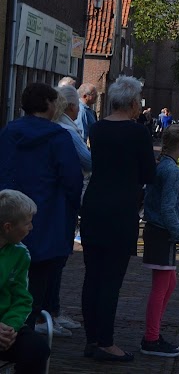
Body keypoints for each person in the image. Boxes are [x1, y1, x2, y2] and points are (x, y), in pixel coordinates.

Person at [80, 76, 156, 362]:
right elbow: (149, 175)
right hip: (120, 209)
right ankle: (106, 342)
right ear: (134, 103)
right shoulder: (138, 133)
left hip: (94, 205)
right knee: (112, 278)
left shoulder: (98, 129)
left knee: (92, 276)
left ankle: (91, 339)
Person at [0, 83, 83, 338]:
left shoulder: (8, 132)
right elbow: (72, 179)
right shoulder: (58, 137)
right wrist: (74, 206)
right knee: (41, 275)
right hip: (49, 214)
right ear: (49, 104)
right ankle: (33, 324)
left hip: (10, 212)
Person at [141, 125, 179, 357]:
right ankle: (151, 339)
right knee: (161, 288)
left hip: (160, 231)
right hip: (162, 233)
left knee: (170, 284)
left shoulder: (163, 165)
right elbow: (167, 209)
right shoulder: (171, 170)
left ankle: (154, 332)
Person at [47, 86, 92, 335]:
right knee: (56, 258)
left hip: (53, 200)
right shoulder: (67, 131)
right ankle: (48, 312)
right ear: (72, 106)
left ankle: (51, 310)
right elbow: (87, 161)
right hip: (62, 200)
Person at [0, 190, 50, 374]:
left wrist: (9, 328)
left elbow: (23, 298)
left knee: (37, 349)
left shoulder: (20, 253)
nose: (31, 228)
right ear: (8, 227)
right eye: (27, 223)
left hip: (6, 327)